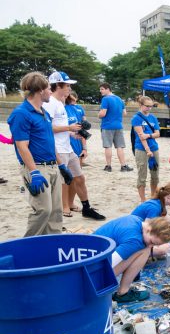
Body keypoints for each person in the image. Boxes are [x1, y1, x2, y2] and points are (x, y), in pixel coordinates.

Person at [8, 72, 65, 236]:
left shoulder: (43, 112)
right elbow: (21, 145)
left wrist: (61, 165)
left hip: (52, 167)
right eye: (48, 88)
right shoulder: (21, 113)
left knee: (55, 212)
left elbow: (49, 141)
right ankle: (27, 246)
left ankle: (52, 246)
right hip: (37, 168)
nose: (50, 91)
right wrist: (34, 172)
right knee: (43, 210)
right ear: (40, 90)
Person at [44, 72, 105, 222]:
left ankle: (86, 208)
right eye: (67, 85)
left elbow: (59, 127)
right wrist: (68, 128)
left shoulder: (60, 103)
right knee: (64, 181)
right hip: (58, 149)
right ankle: (61, 210)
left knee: (80, 178)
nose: (70, 88)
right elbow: (46, 128)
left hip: (67, 146)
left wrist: (71, 134)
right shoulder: (50, 103)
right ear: (58, 85)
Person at [95, 215, 170, 303]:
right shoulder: (135, 241)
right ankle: (123, 293)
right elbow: (108, 264)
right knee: (145, 249)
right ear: (148, 230)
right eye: (152, 242)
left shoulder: (136, 219)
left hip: (90, 259)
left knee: (145, 247)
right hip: (95, 277)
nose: (152, 246)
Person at [131, 95, 161, 203]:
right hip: (141, 149)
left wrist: (149, 136)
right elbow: (140, 136)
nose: (149, 108)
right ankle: (143, 200)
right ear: (140, 105)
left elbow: (158, 134)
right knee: (142, 174)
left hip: (154, 147)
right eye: (147, 106)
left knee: (155, 175)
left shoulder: (153, 117)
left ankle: (153, 197)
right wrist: (148, 151)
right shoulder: (136, 118)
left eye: (151, 106)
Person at [98, 82, 132, 173]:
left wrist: (99, 114)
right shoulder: (119, 99)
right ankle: (123, 166)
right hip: (118, 125)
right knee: (120, 147)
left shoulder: (105, 99)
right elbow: (125, 113)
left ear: (108, 89)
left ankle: (108, 166)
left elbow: (103, 113)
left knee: (108, 146)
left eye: (102, 89)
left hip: (107, 126)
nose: (100, 91)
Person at [64, 93, 88, 211]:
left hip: (76, 147)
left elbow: (82, 129)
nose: (74, 101)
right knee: (65, 179)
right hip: (63, 148)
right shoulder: (58, 108)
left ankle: (70, 203)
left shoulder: (77, 109)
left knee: (76, 178)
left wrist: (84, 148)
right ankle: (65, 205)